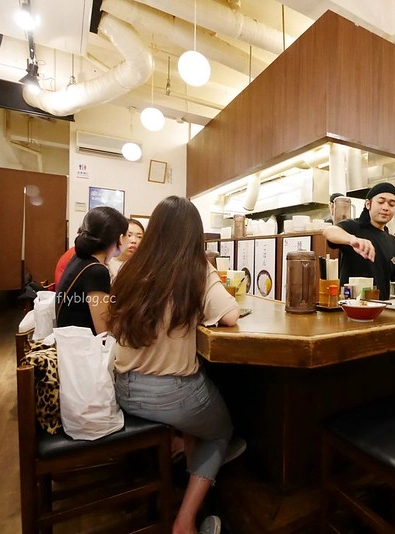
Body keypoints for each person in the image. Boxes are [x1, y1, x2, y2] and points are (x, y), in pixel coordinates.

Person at [108, 196, 239, 534]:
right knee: (221, 431)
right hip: (171, 396)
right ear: (194, 236)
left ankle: (181, 447)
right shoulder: (196, 270)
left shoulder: (127, 269)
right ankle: (185, 521)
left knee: (196, 417)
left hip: (123, 388)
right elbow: (230, 315)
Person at [323, 182, 395, 300]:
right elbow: (329, 231)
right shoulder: (354, 227)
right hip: (351, 307)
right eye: (380, 202)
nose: (385, 207)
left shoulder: (392, 241)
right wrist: (352, 240)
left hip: (382, 308)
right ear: (368, 204)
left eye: (391, 204)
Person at [55, 208, 128, 335]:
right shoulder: (96, 271)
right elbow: (104, 331)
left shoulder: (79, 258)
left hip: (68, 343)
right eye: (129, 235)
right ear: (120, 238)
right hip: (81, 349)